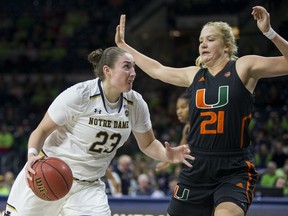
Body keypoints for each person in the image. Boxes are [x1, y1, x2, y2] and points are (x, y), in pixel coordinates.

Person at [115, 5, 288, 216]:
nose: (203, 44)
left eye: (210, 39)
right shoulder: (194, 74)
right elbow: (157, 70)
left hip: (233, 168)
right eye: (201, 41)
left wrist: (269, 33)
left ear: (226, 46)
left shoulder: (244, 67)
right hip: (197, 167)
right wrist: (124, 46)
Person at [4, 46, 194, 216]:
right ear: (107, 71)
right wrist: (31, 156)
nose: (133, 72)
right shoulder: (80, 94)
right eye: (127, 67)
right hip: (48, 175)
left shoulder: (136, 103)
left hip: (87, 187)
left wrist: (167, 155)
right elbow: (41, 130)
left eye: (134, 67)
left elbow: (148, 144)